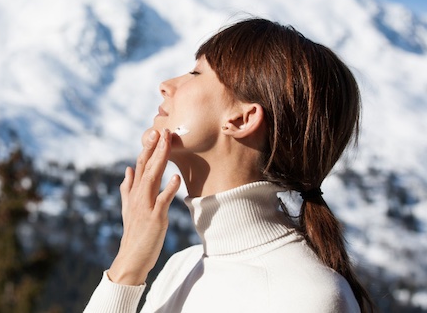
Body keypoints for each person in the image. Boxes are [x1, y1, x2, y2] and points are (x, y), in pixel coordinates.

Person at [83, 18, 375, 312]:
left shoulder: (305, 298)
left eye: (196, 73)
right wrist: (127, 266)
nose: (166, 86)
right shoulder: (180, 268)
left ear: (241, 119)